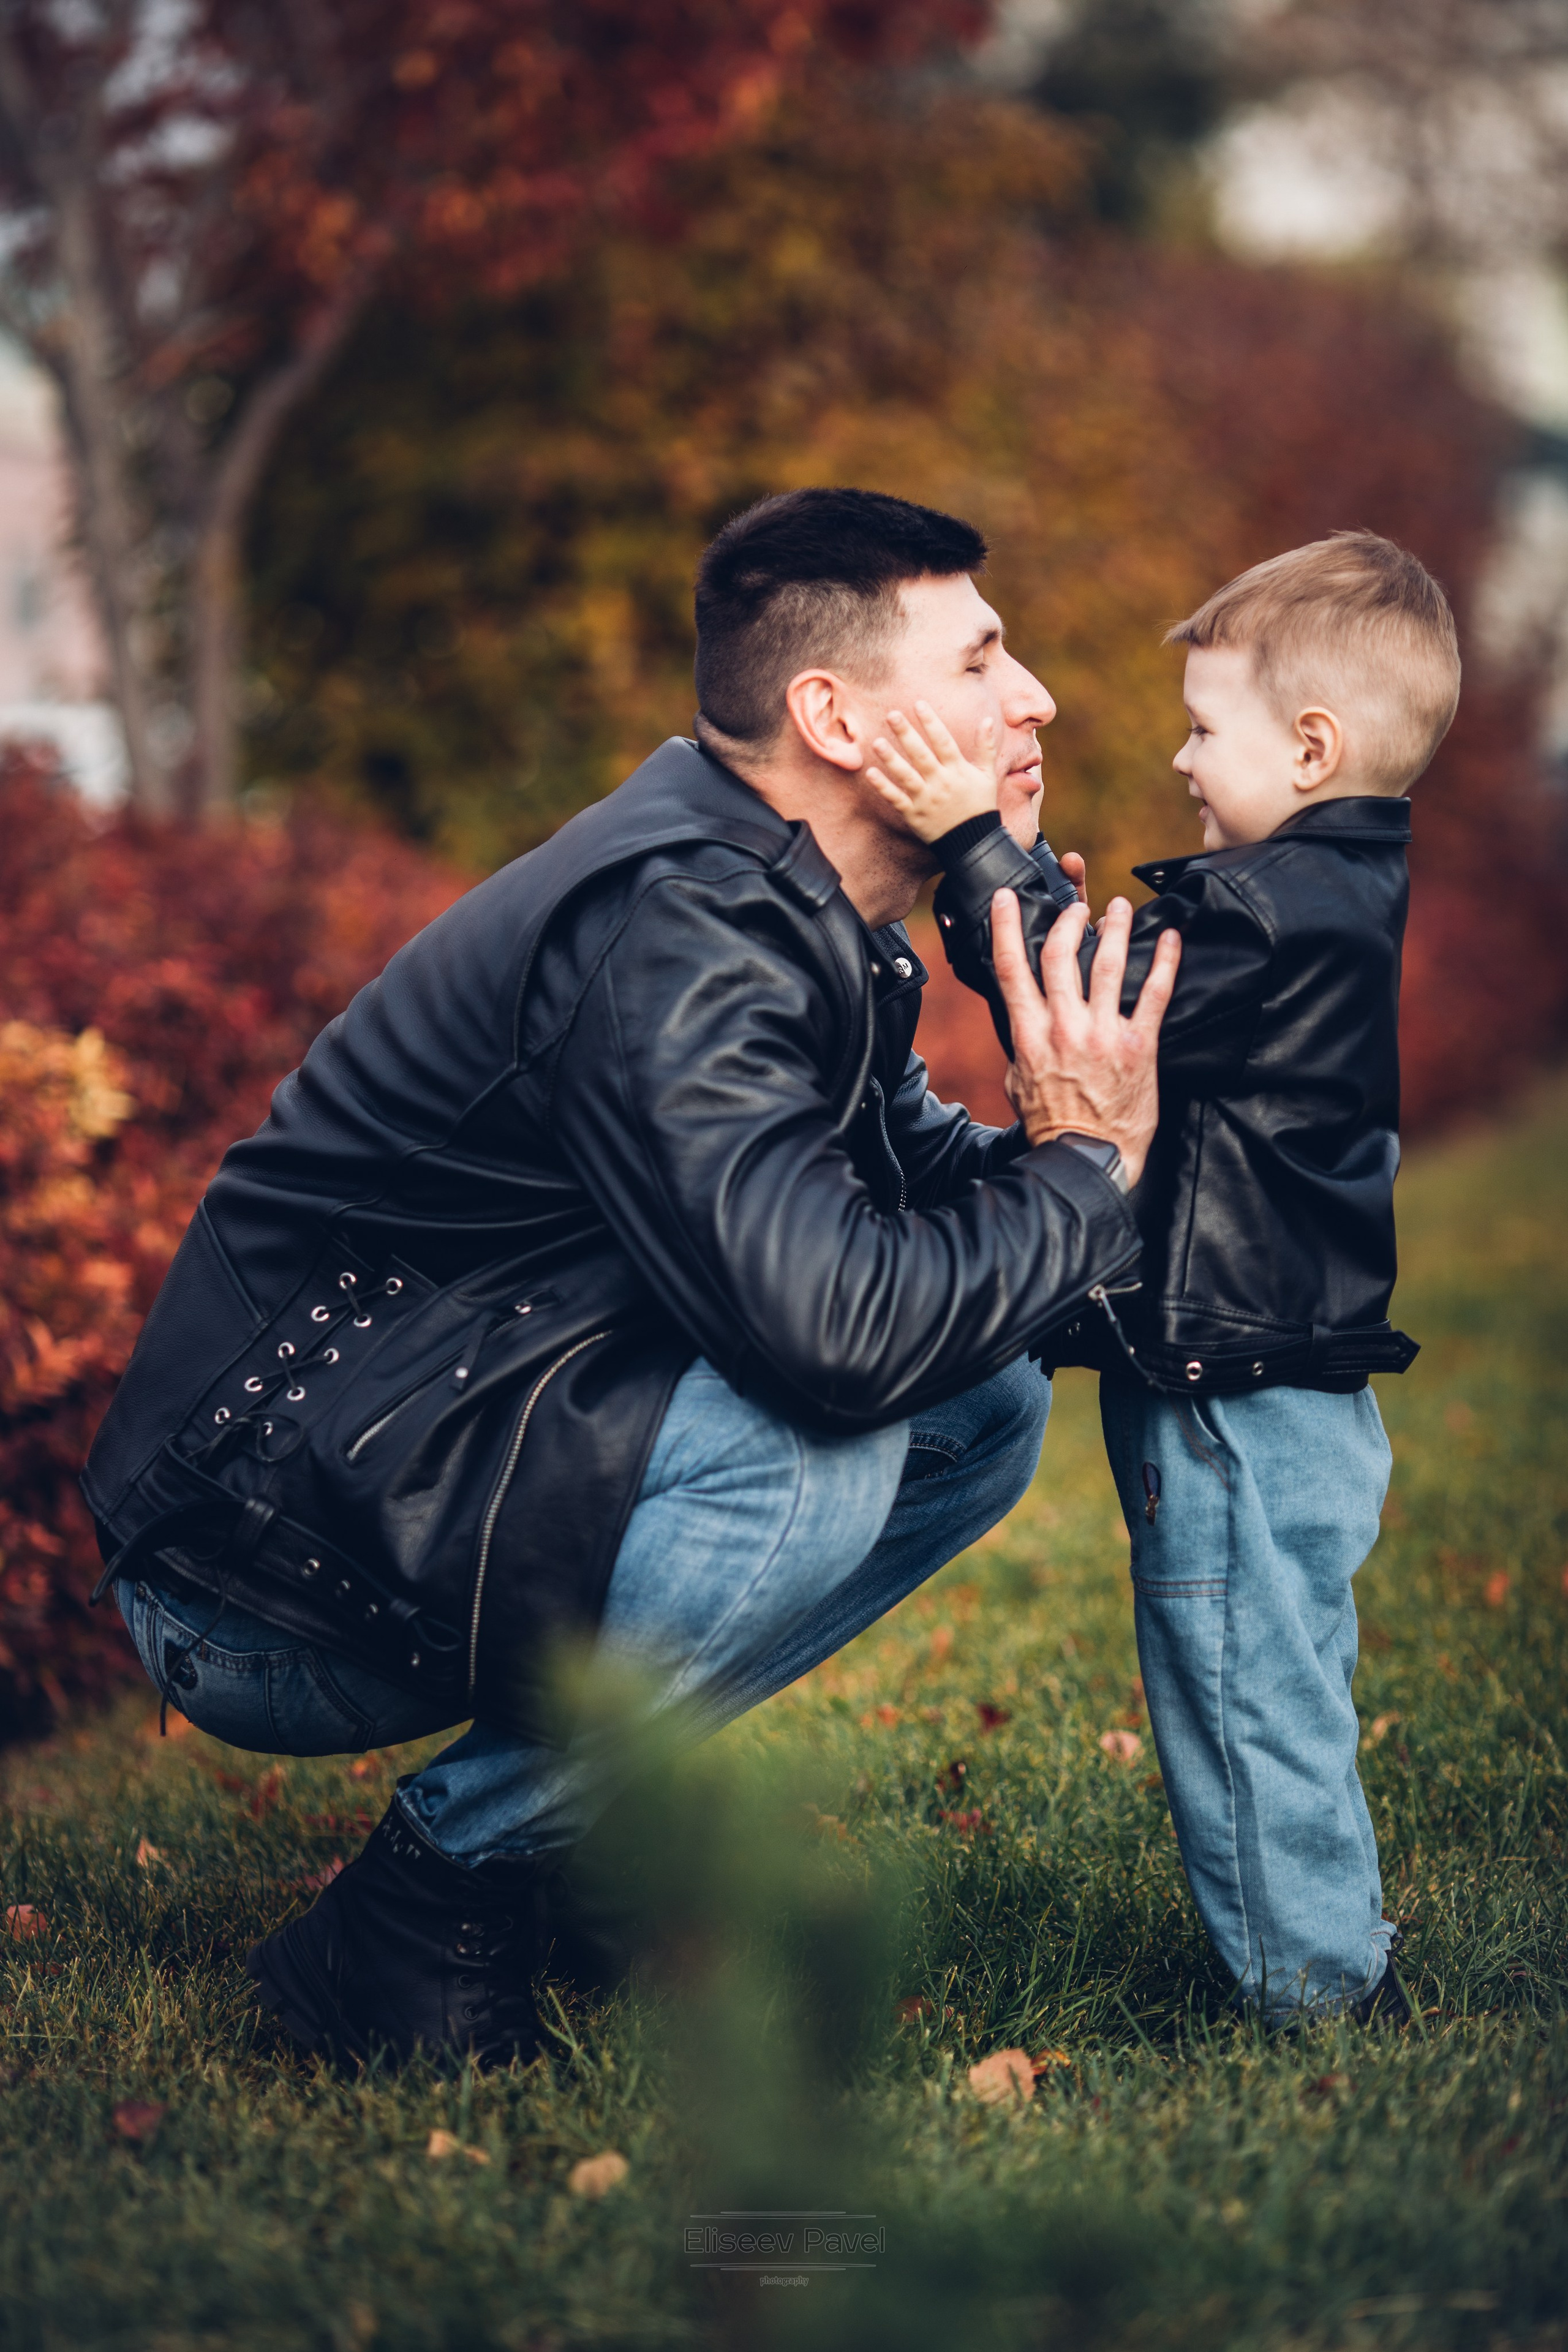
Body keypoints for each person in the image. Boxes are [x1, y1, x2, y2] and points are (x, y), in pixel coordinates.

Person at [82, 487, 1180, 2068]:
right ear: (835, 716)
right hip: (255, 1562)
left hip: (436, 1460)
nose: (1037, 697)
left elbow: (960, 1221)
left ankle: (569, 1839)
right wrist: (1086, 1164)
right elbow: (842, 1334)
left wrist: (1002, 910)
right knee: (823, 1449)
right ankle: (432, 1895)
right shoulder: (679, 929)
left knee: (983, 1404)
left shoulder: (798, 910)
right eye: (982, 661)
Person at [864, 530, 1457, 2027]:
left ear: (1310, 747)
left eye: (1207, 730)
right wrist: (1033, 915)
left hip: (1228, 1384)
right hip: (1284, 1372)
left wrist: (971, 851)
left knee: (1236, 1683)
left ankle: (1316, 1998)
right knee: (1281, 1669)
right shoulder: (1316, 901)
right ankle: (1332, 1948)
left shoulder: (1267, 915)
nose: (1184, 763)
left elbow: (1082, 1005)